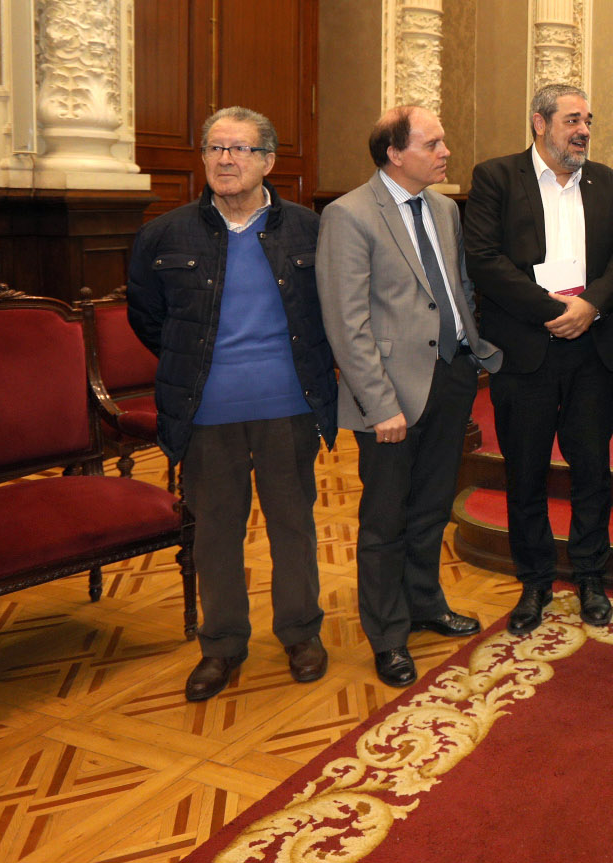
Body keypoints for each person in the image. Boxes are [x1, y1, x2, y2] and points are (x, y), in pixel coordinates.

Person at [127, 107, 338, 702]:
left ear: (267, 161)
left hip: (288, 406)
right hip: (205, 413)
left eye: (240, 149)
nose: (225, 159)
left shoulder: (310, 230)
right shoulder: (164, 235)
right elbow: (149, 320)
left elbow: (331, 311)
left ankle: (300, 633)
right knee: (215, 533)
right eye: (215, 148)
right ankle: (221, 646)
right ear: (202, 158)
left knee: (293, 525)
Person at [318, 106, 504, 688]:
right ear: (395, 154)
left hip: (451, 377)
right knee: (385, 519)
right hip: (390, 394)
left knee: (430, 509)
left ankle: (425, 603)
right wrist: (379, 405)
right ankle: (387, 634)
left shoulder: (444, 209)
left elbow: (454, 288)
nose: (446, 152)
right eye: (433, 143)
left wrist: (472, 351)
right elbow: (347, 323)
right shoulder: (349, 215)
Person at [463, 85, 613, 635]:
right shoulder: (496, 177)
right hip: (526, 351)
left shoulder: (607, 181)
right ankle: (535, 580)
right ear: (539, 123)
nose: (583, 130)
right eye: (572, 120)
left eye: (588, 120)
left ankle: (590, 576)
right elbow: (484, 259)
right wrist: (553, 310)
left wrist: (589, 307)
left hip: (592, 349)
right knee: (526, 472)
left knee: (592, 471)